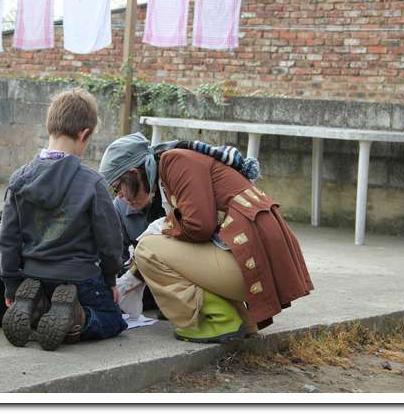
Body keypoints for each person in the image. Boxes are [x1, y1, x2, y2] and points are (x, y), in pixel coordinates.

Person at [99, 132, 314, 343]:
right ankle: (240, 319)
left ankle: (218, 320)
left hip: (254, 268)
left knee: (147, 249)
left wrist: (163, 226)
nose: (120, 196)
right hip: (258, 265)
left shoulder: (175, 160)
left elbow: (199, 226)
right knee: (163, 247)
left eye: (118, 187)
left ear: (134, 173)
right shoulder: (174, 166)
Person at [0, 88, 128, 351]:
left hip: (32, 274)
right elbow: (110, 241)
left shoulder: (20, 178)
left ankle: (38, 308)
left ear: (50, 127)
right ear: (84, 134)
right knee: (113, 320)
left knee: (47, 307)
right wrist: (110, 279)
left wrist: (12, 286)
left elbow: (7, 240)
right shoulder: (92, 182)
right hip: (79, 276)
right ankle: (75, 318)